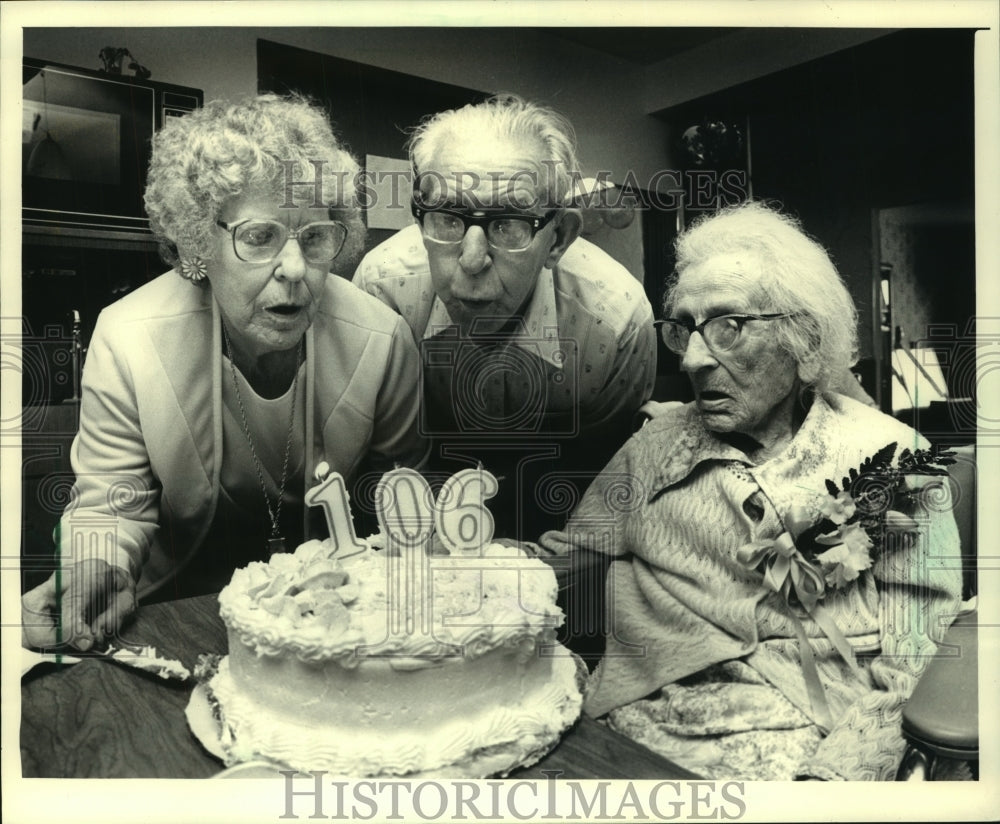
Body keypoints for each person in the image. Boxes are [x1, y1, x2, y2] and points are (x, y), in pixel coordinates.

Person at [537, 201, 962, 781]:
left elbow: (922, 653)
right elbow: (569, 561)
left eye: (727, 328)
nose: (691, 359)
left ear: (804, 338)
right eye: (682, 328)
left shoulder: (895, 460)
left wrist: (843, 772)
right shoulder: (654, 446)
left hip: (812, 731)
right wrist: (477, 567)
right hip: (643, 722)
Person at [21, 95, 426, 652]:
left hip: (331, 624)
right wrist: (94, 565)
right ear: (197, 243)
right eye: (259, 237)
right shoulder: (129, 336)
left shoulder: (384, 341)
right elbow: (110, 503)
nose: (294, 269)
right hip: (169, 616)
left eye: (314, 238)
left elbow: (401, 505)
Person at [353, 94, 657, 539]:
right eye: (447, 218)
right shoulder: (382, 292)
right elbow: (384, 471)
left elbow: (604, 477)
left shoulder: (617, 322)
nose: (472, 261)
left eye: (510, 223)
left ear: (558, 239)